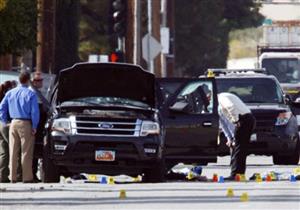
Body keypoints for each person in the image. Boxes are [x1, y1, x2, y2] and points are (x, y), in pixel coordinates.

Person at [0, 71, 40, 183]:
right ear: (28, 80)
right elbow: (34, 112)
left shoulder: (10, 93)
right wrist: (35, 125)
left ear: (19, 79)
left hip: (13, 122)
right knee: (26, 152)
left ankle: (12, 177)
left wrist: (4, 121)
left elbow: (1, 108)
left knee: (12, 151)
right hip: (26, 123)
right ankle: (26, 178)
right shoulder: (31, 94)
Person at [218, 92, 256, 180]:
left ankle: (236, 174)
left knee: (239, 148)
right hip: (241, 120)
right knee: (239, 148)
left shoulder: (222, 98)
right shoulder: (218, 106)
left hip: (244, 119)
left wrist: (235, 121)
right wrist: (229, 138)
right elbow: (223, 123)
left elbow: (231, 107)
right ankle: (239, 173)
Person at [30, 72, 51, 182]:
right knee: (33, 151)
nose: (41, 82)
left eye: (41, 80)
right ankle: (31, 174)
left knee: (35, 151)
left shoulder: (39, 93)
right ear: (33, 82)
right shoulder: (33, 93)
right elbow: (37, 112)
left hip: (38, 127)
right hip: (35, 127)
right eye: (38, 80)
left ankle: (33, 174)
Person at [0, 81, 13, 182]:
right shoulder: (7, 96)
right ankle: (17, 174)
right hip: (5, 125)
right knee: (13, 149)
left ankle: (2, 176)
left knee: (3, 151)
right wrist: (5, 122)